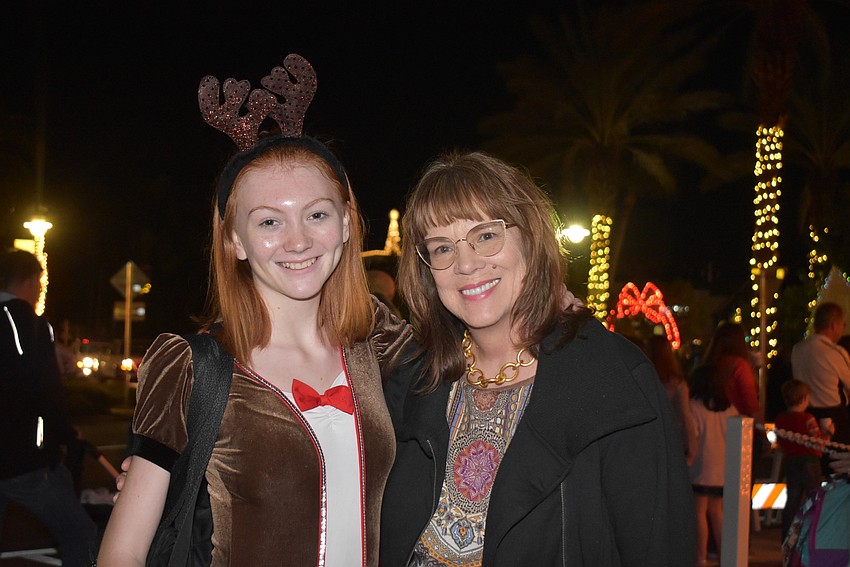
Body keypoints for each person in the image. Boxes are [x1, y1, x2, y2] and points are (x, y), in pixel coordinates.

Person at [98, 57, 411, 566]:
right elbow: (123, 554)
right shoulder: (191, 369)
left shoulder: (381, 344)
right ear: (236, 241)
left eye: (316, 214)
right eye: (268, 221)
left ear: (348, 224)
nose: (298, 240)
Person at [380, 151, 695, 565]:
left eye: (486, 235)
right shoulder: (415, 380)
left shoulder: (612, 381)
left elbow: (659, 549)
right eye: (442, 249)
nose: (467, 264)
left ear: (529, 236)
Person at [0, 250, 98, 567]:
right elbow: (46, 392)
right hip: (24, 460)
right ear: (31, 280)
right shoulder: (31, 324)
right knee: (80, 534)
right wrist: (66, 436)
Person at [688, 363, 738, 566]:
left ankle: (700, 556)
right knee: (717, 511)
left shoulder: (694, 406)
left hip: (702, 464)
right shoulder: (730, 409)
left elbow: (693, 435)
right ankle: (726, 554)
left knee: (699, 511)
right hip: (723, 466)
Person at [775, 379, 828, 541]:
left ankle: (787, 537)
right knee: (815, 498)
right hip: (810, 462)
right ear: (804, 399)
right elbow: (818, 441)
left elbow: (781, 441)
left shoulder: (781, 420)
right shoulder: (808, 419)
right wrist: (829, 433)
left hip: (791, 462)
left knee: (792, 500)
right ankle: (814, 535)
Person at [792, 302, 850, 446]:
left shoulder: (797, 349)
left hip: (804, 415)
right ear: (833, 325)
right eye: (843, 324)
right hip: (833, 419)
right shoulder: (835, 352)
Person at [648, 333, 698, 466]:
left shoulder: (645, 381)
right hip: (671, 442)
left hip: (649, 441)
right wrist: (692, 451)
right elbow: (685, 417)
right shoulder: (677, 384)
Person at [703, 321, 759, 418]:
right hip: (737, 423)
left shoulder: (710, 364)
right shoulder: (740, 366)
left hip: (713, 421)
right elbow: (750, 403)